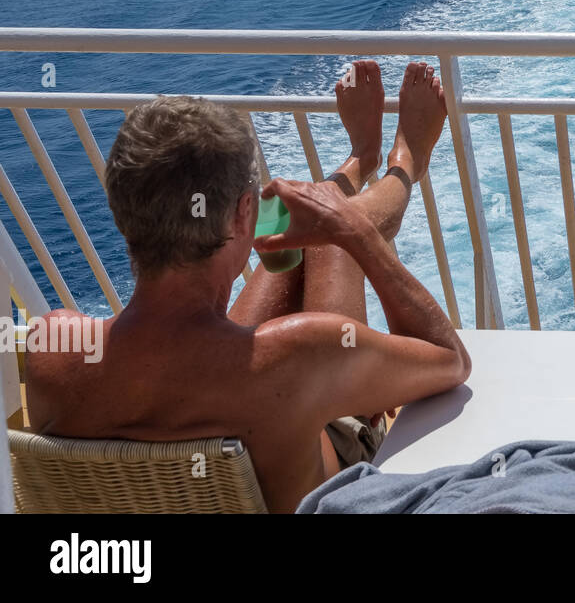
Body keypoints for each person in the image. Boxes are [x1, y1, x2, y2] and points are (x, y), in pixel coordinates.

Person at [25, 60, 470, 513]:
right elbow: (450, 360)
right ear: (244, 214)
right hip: (318, 468)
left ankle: (360, 161)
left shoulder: (52, 350)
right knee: (326, 242)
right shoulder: (300, 353)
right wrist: (354, 234)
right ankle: (404, 162)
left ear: (121, 210)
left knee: (314, 234)